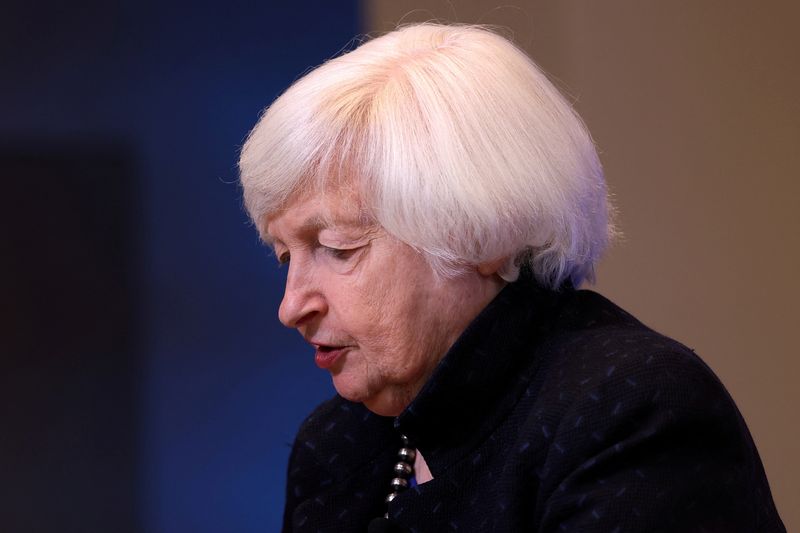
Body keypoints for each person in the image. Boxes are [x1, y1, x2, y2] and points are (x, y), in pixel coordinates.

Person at [238, 23, 785, 532]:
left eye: (337, 248)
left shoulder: (632, 410)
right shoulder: (334, 445)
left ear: (480, 233)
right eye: (286, 257)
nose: (292, 307)